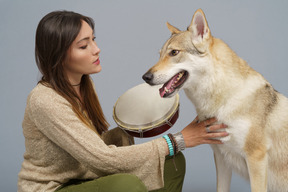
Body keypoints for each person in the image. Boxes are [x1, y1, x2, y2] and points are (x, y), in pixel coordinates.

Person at [17, 10, 229, 192]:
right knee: (125, 185)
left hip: (85, 176)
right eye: (84, 46)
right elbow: (101, 159)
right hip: (54, 188)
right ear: (60, 56)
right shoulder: (44, 100)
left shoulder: (82, 86)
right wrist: (179, 140)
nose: (96, 49)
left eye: (93, 39)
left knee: (172, 162)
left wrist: (127, 131)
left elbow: (88, 146)